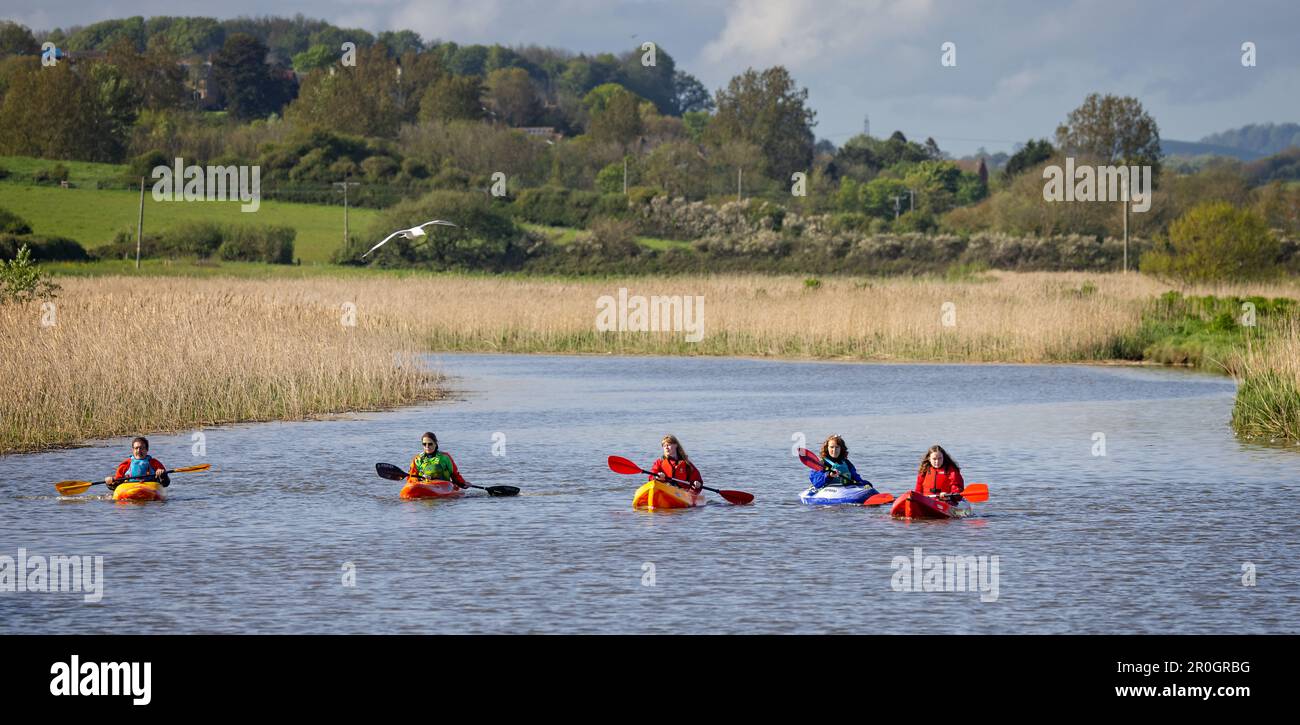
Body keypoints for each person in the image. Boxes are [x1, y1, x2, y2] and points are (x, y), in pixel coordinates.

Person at [809, 434, 873, 490]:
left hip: (845, 490)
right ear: (827, 448)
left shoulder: (847, 463)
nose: (834, 450)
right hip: (828, 491)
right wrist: (829, 475)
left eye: (837, 447)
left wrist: (865, 484)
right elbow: (816, 482)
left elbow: (856, 478)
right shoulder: (821, 463)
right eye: (831, 447)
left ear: (841, 449)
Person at [105, 437, 170, 491]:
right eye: (136, 448)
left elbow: (166, 483)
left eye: (141, 448)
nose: (139, 451)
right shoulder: (125, 464)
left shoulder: (155, 463)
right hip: (130, 489)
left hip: (150, 488)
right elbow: (116, 485)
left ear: (147, 450)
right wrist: (110, 483)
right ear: (133, 450)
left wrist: (162, 474)